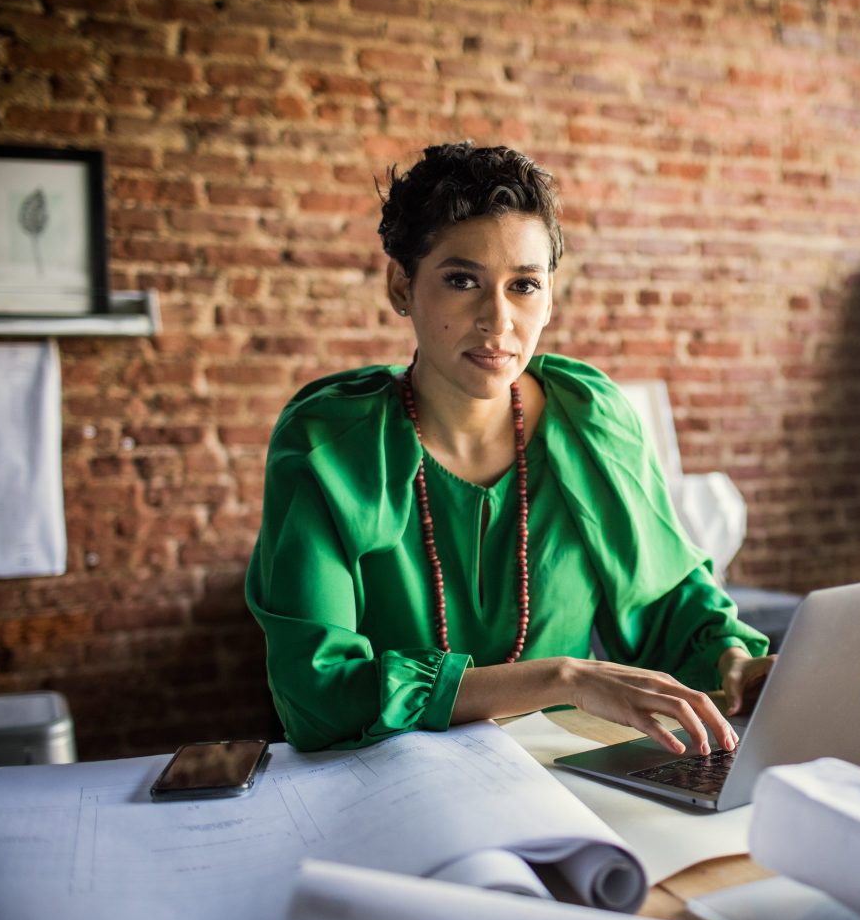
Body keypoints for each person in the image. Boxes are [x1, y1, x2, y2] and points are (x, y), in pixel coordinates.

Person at [246, 142, 773, 755]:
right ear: (401, 286)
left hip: (569, 780)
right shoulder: (327, 444)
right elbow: (317, 693)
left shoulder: (590, 418)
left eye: (523, 285)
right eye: (462, 280)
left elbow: (665, 603)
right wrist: (561, 677)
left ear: (549, 296)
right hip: (389, 789)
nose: (498, 320)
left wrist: (736, 668)